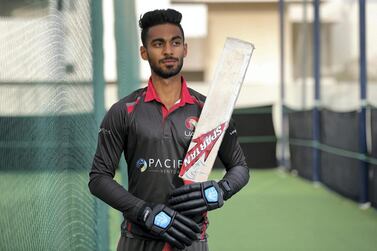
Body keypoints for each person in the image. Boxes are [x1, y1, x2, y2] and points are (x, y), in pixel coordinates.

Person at [89, 8, 250, 251]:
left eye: (175, 43)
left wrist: (220, 190)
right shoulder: (124, 111)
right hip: (137, 240)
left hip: (189, 239)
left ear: (185, 49)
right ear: (144, 52)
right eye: (158, 43)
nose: (168, 50)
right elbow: (99, 178)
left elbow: (239, 168)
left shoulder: (210, 111)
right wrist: (144, 212)